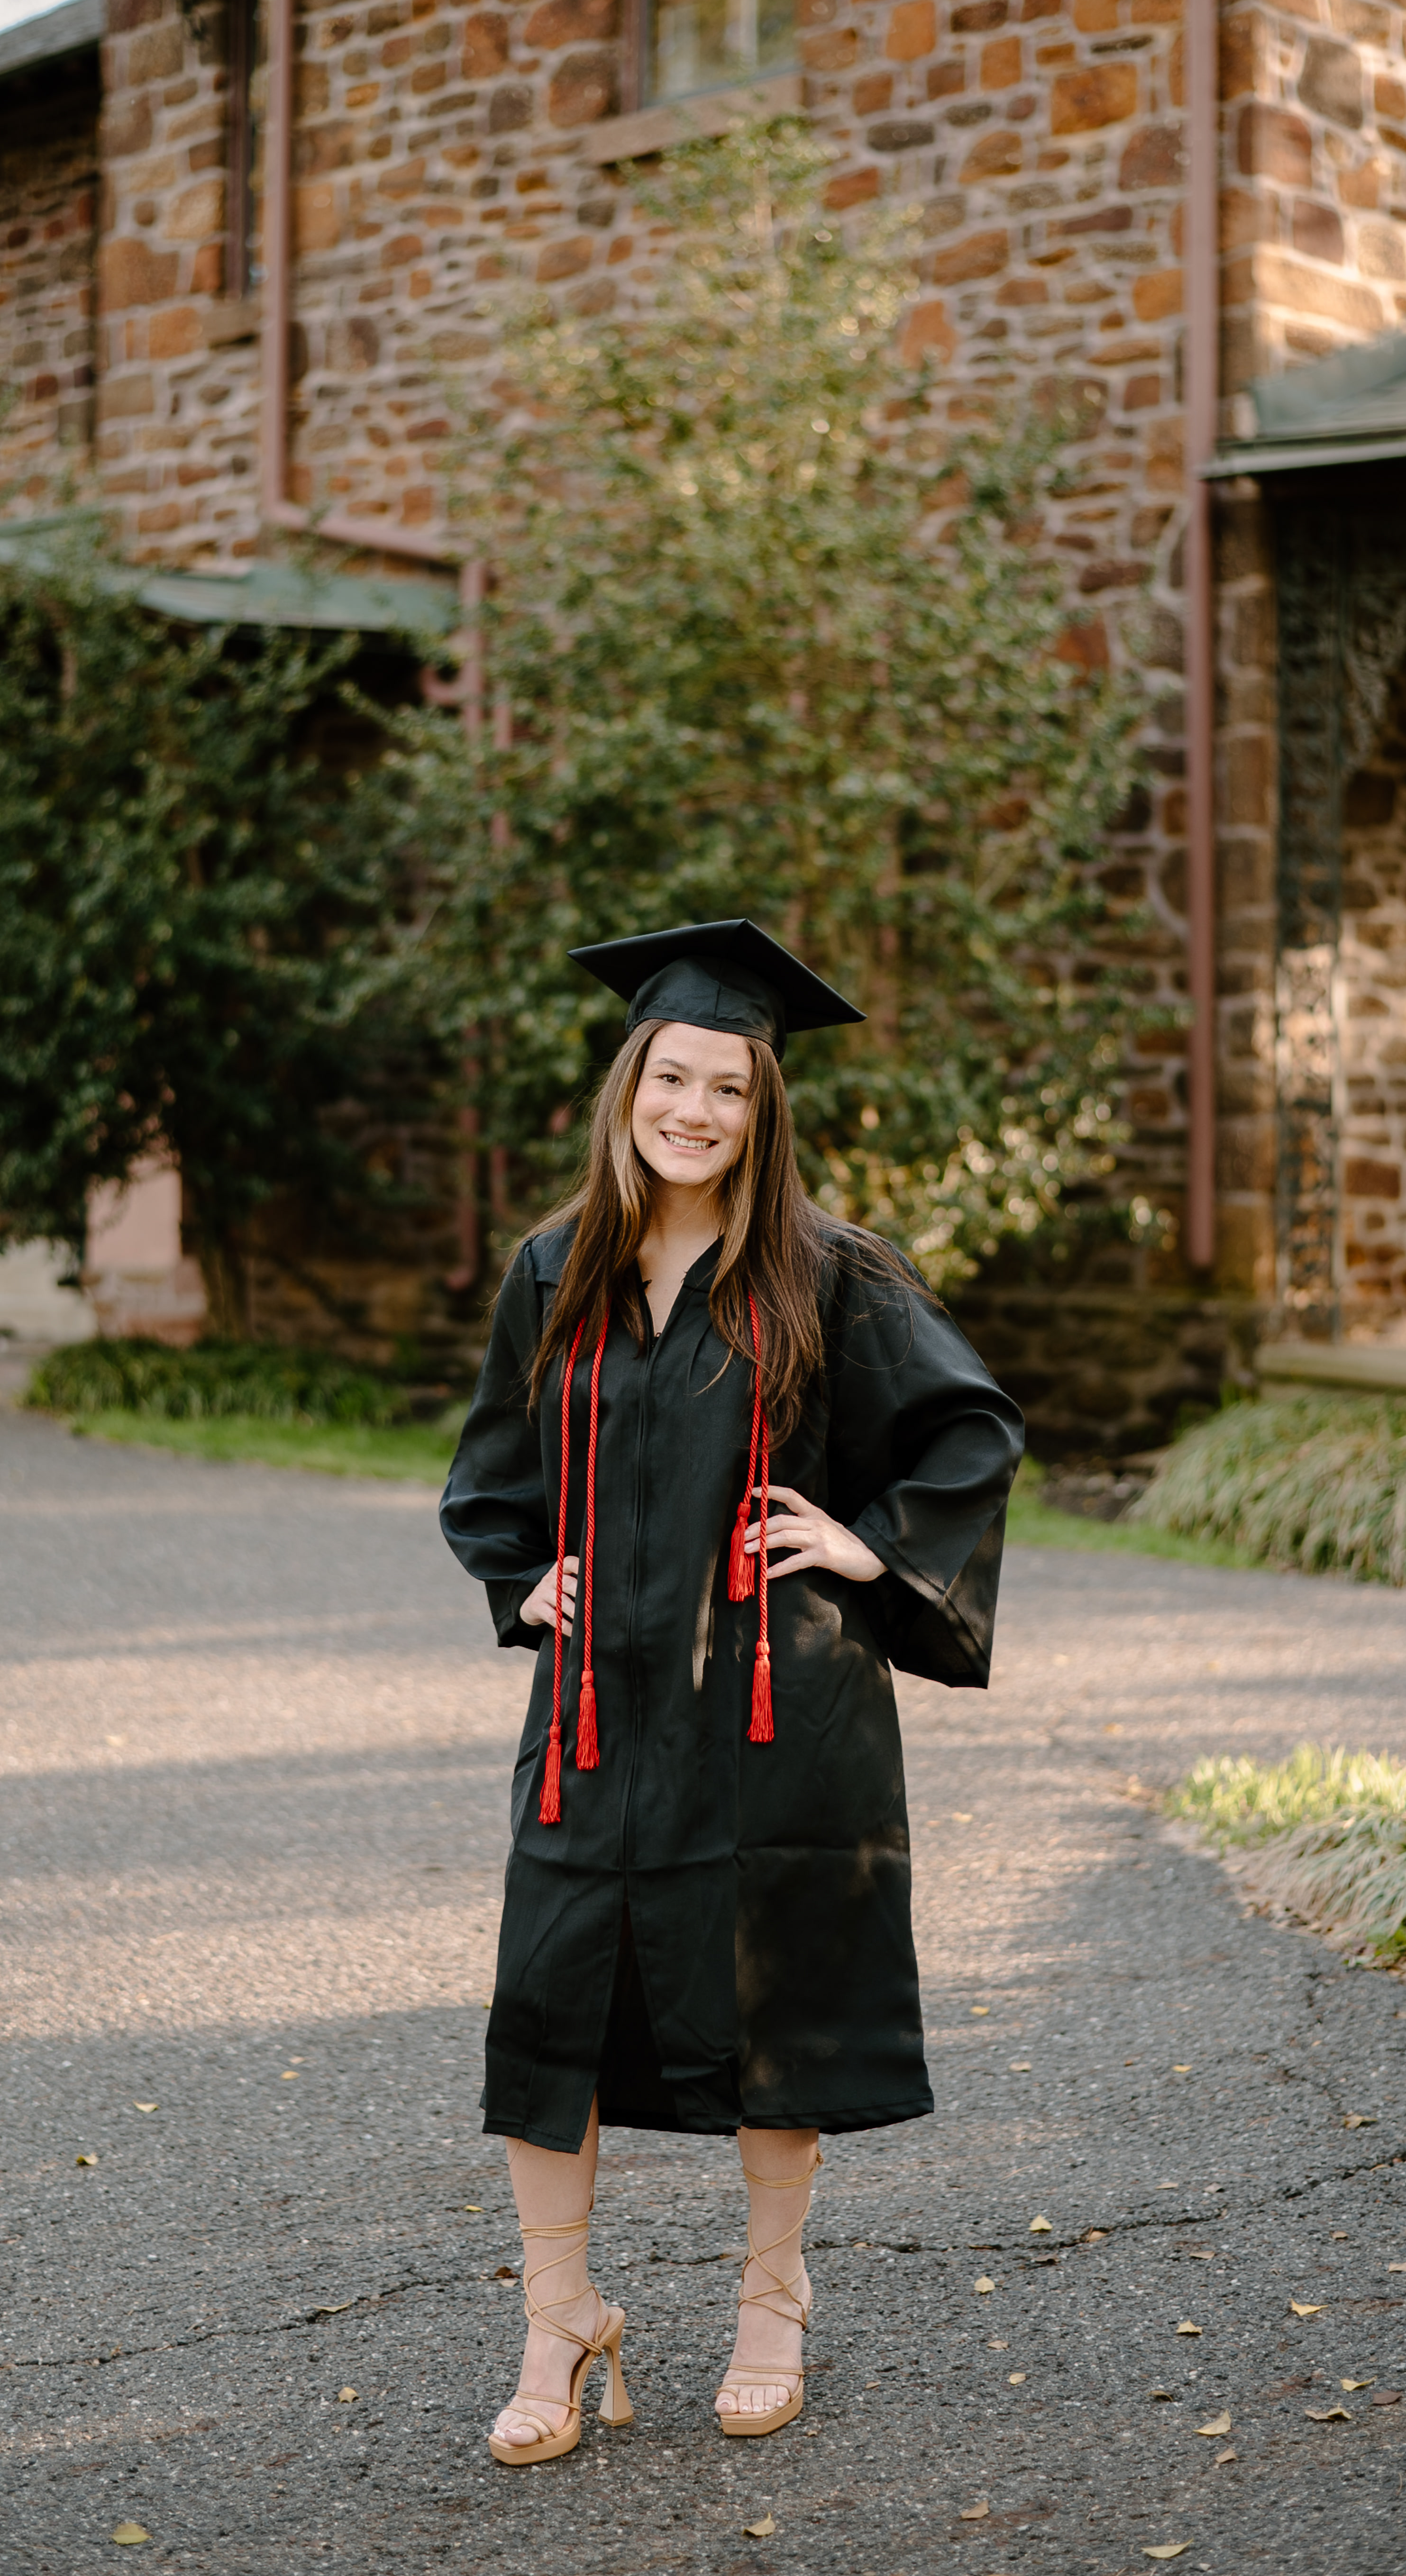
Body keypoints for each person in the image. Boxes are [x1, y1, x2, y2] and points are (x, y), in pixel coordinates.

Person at [439, 919, 1025, 2465]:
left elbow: (971, 1434)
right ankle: (557, 2316)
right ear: (630, 1082)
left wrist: (861, 1542)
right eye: (672, 1077)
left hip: (779, 1706)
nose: (694, 1111)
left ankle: (775, 2298)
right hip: (595, 1707)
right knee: (553, 1997)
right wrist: (523, 1582)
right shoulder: (553, 1270)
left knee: (772, 1988)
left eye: (730, 1090)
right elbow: (497, 1474)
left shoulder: (834, 1274)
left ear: (765, 1112)